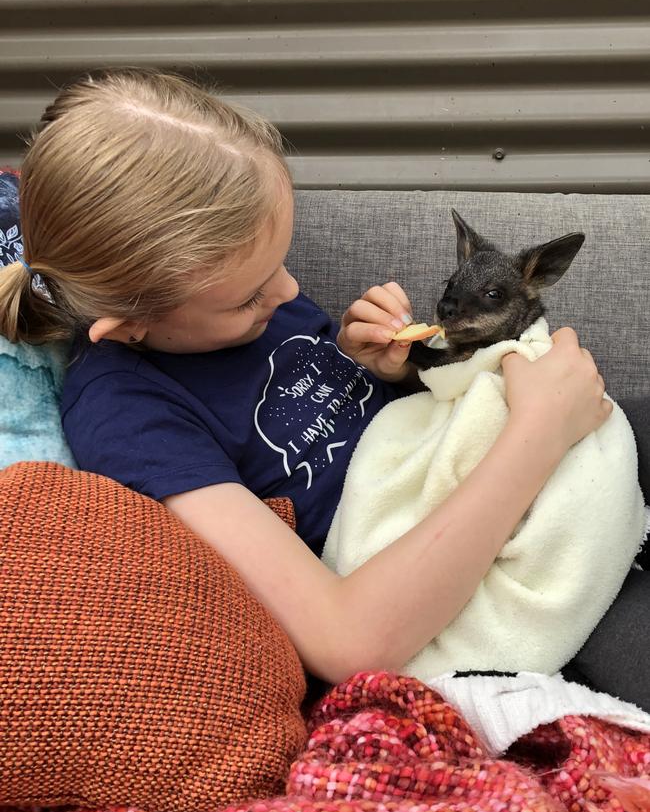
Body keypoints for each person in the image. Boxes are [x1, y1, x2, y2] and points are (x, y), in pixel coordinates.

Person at [0, 68, 615, 688]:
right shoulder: (128, 414)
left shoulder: (247, 302)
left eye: (281, 262)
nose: (291, 292)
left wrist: (378, 368)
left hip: (466, 463)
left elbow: (354, 420)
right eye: (251, 296)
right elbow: (347, 638)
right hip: (444, 577)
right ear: (130, 323)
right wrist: (539, 431)